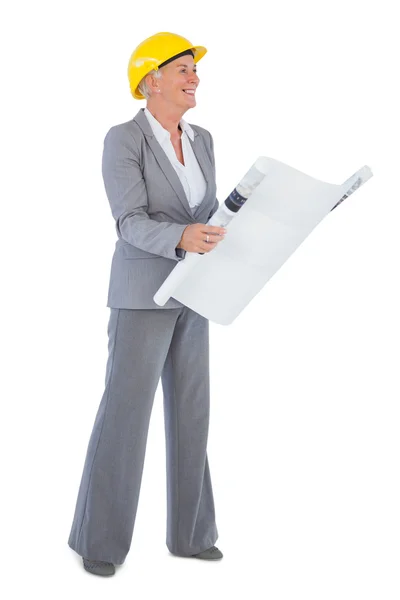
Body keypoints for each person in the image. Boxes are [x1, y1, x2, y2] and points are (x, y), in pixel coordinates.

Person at [67, 32, 226, 577]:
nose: (194, 78)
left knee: (192, 411)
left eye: (194, 70)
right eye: (183, 69)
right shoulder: (123, 139)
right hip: (141, 294)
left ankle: (191, 533)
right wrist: (182, 237)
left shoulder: (202, 138)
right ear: (150, 79)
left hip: (195, 291)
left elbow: (203, 211)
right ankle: (100, 540)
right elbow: (129, 221)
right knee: (126, 413)